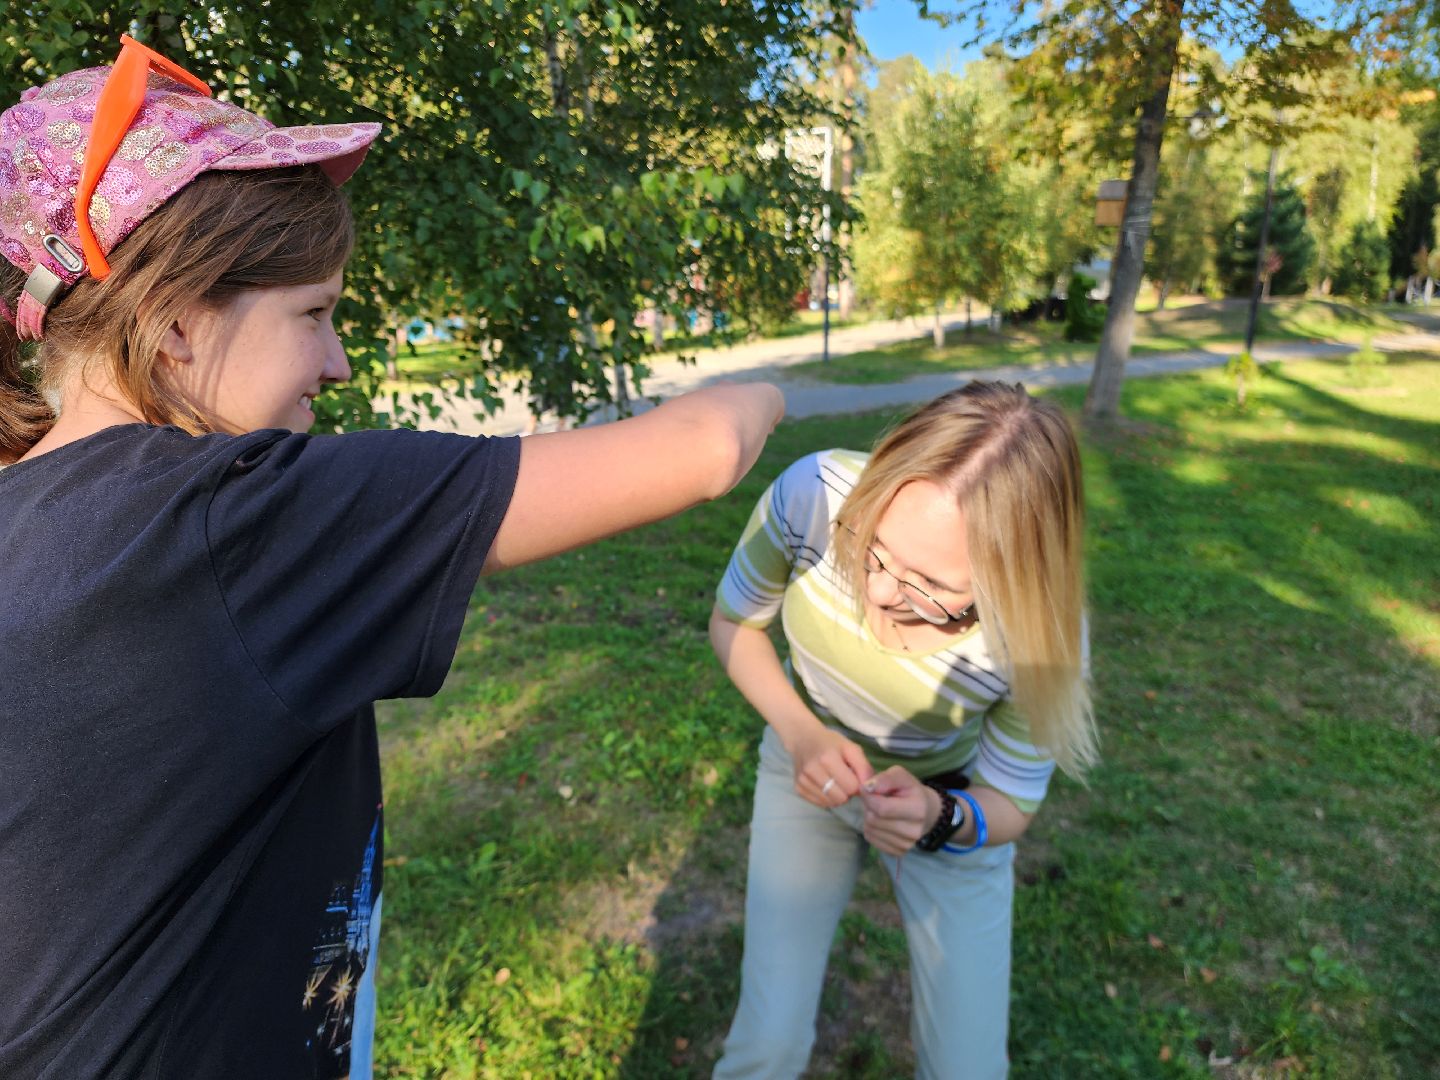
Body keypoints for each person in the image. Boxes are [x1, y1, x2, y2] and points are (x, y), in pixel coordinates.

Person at [0, 35, 784, 1080]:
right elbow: (707, 448)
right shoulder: (231, 526)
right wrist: (767, 381)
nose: (337, 359)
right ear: (177, 324)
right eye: (314, 314)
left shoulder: (30, 509)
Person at [709, 382, 1096, 1080]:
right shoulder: (817, 497)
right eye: (874, 549)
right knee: (765, 1045)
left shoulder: (1041, 635)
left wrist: (939, 817)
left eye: (930, 587)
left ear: (1014, 577)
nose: (883, 595)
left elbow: (1011, 803)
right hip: (806, 773)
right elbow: (733, 624)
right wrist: (800, 733)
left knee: (967, 1070)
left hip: (945, 805)